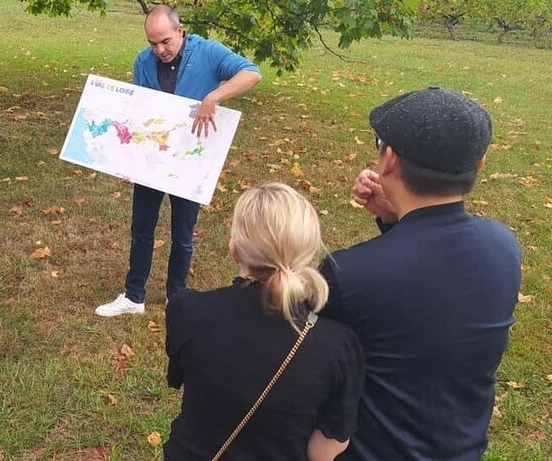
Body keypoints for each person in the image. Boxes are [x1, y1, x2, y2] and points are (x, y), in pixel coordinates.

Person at [320, 87, 521, 460]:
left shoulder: (347, 274)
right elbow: (428, 287)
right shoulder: (503, 246)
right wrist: (392, 219)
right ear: (478, 165)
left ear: (389, 159)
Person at [165, 182, 363, 460]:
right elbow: (325, 450)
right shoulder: (339, 346)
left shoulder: (187, 309)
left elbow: (179, 379)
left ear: (235, 248)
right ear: (307, 251)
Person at [95, 5, 262, 317]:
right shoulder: (143, 62)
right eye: (152, 44)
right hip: (152, 158)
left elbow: (251, 73)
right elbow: (139, 112)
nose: (159, 50)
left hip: (190, 162)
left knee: (182, 234)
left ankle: (177, 297)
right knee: (141, 228)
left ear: (180, 30)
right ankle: (134, 297)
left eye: (165, 42)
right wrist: (128, 160)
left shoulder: (209, 52)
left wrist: (212, 98)